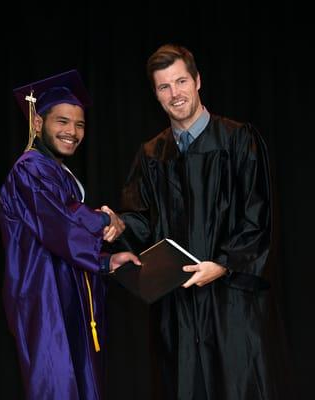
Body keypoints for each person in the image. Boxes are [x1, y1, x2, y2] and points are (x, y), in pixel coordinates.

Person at [119, 44, 293, 399]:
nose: (175, 93)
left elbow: (257, 218)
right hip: (178, 309)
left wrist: (224, 265)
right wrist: (115, 226)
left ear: (198, 81)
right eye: (164, 87)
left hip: (232, 305)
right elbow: (140, 221)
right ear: (156, 94)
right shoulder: (152, 155)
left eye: (181, 81)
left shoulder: (238, 140)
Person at [0, 70, 140, 400]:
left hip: (66, 293)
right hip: (43, 296)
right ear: (37, 124)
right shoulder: (30, 168)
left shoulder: (57, 173)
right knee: (56, 386)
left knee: (81, 385)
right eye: (62, 121)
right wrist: (104, 220)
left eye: (79, 125)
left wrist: (106, 261)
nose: (72, 132)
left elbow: (64, 228)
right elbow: (60, 223)